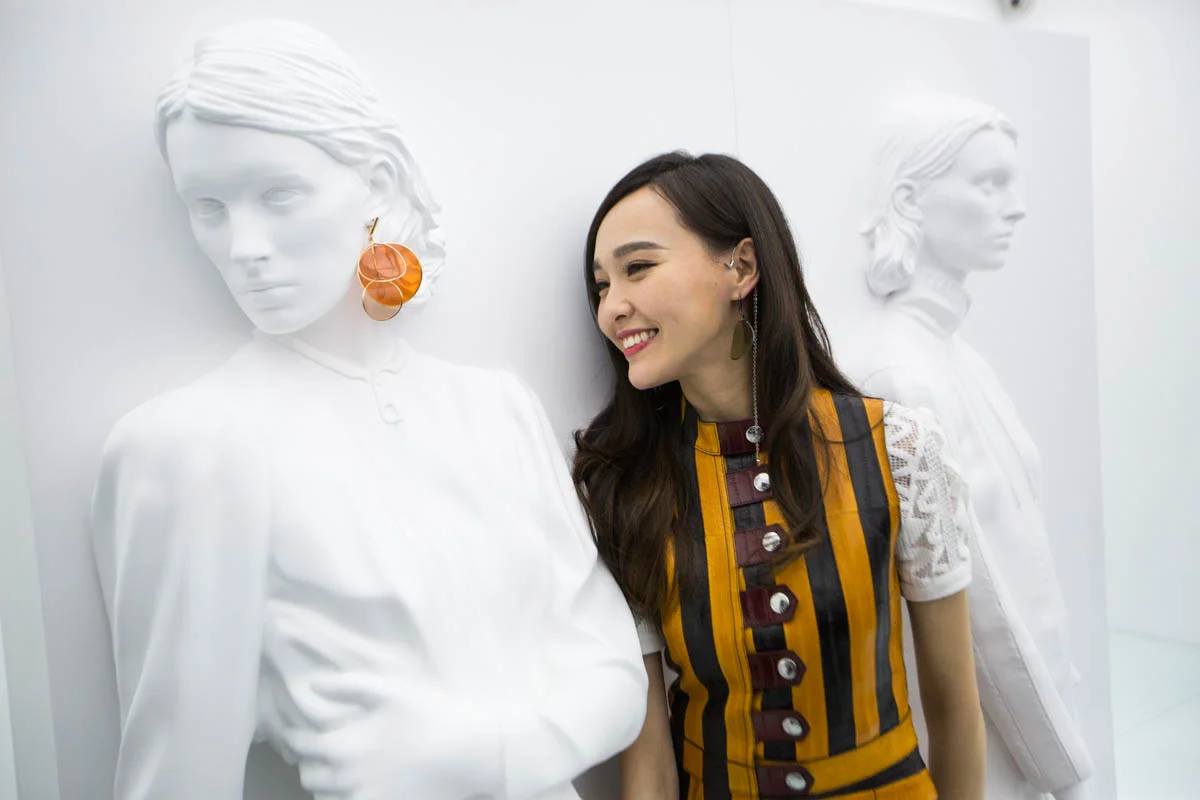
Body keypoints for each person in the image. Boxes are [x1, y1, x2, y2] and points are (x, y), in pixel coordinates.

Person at [90, 19, 646, 800]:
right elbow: (176, 780)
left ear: (378, 184)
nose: (243, 245)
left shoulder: (497, 409)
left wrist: (471, 754)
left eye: (278, 194)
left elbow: (614, 670)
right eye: (207, 206)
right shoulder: (187, 447)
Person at [573, 152, 984, 800]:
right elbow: (648, 763)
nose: (611, 309)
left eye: (638, 268)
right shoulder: (626, 488)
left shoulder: (898, 448)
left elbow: (956, 708)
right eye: (601, 286)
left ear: (740, 267)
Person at [843, 94, 1094, 800]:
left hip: (1027, 735)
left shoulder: (955, 356)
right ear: (909, 201)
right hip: (990, 752)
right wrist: (1065, 770)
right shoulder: (900, 373)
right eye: (990, 184)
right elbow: (982, 614)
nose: (1016, 208)